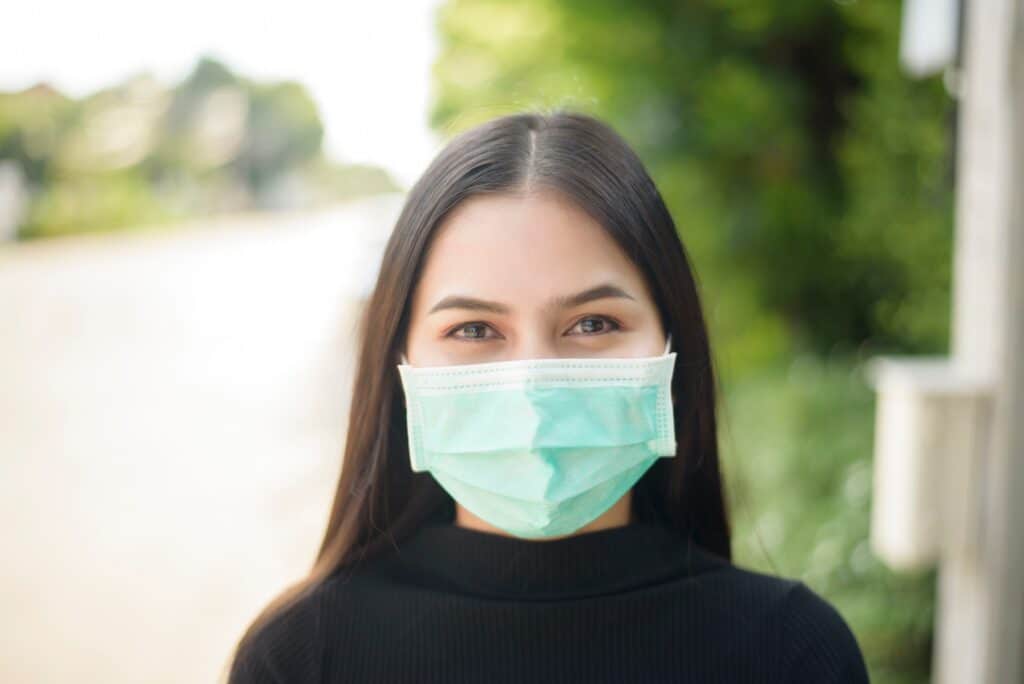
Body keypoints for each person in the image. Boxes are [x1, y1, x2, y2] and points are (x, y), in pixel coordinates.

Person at [226, 110, 870, 683]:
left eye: (593, 324)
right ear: (400, 361)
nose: (534, 384)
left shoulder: (790, 653)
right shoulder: (300, 659)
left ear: (673, 348)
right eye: (474, 329)